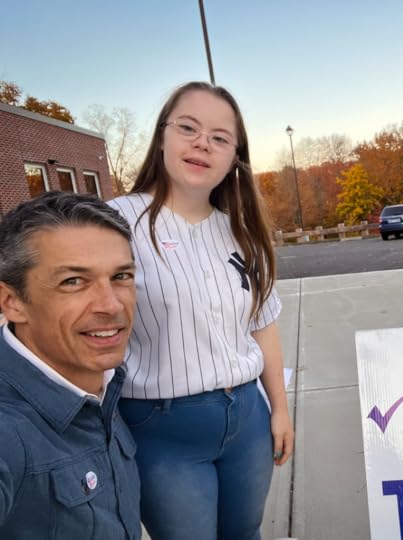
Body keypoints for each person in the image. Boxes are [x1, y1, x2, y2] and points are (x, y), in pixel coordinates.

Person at [109, 81, 294, 540]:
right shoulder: (117, 222)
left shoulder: (241, 232)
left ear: (235, 157)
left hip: (247, 418)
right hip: (163, 429)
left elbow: (262, 324)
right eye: (188, 128)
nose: (201, 144)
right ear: (162, 136)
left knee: (245, 533)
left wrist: (280, 409)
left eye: (219, 137)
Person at [0, 191, 141, 540]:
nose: (111, 305)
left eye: (121, 276)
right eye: (73, 281)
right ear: (11, 302)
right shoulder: (9, 431)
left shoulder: (103, 381)